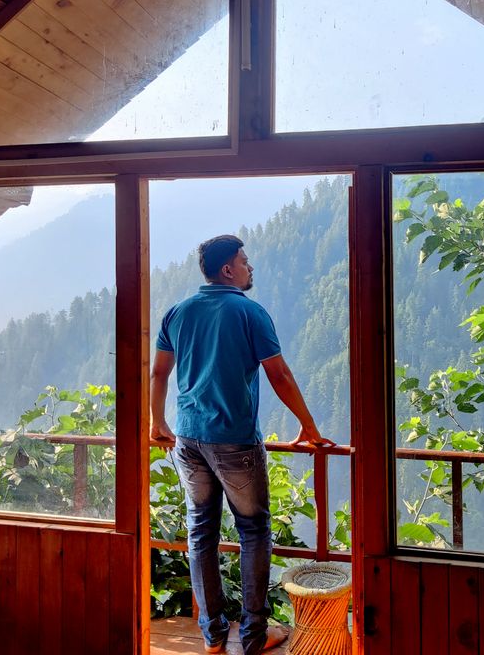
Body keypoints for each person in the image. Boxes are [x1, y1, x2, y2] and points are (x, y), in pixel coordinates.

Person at [149, 234, 332, 655]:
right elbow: (279, 374)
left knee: (201, 532)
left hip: (188, 439)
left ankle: (212, 636)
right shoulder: (250, 312)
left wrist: (157, 422)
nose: (251, 268)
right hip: (233, 441)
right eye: (245, 262)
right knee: (253, 530)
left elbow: (159, 374)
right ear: (229, 269)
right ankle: (252, 636)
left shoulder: (178, 312)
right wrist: (308, 426)